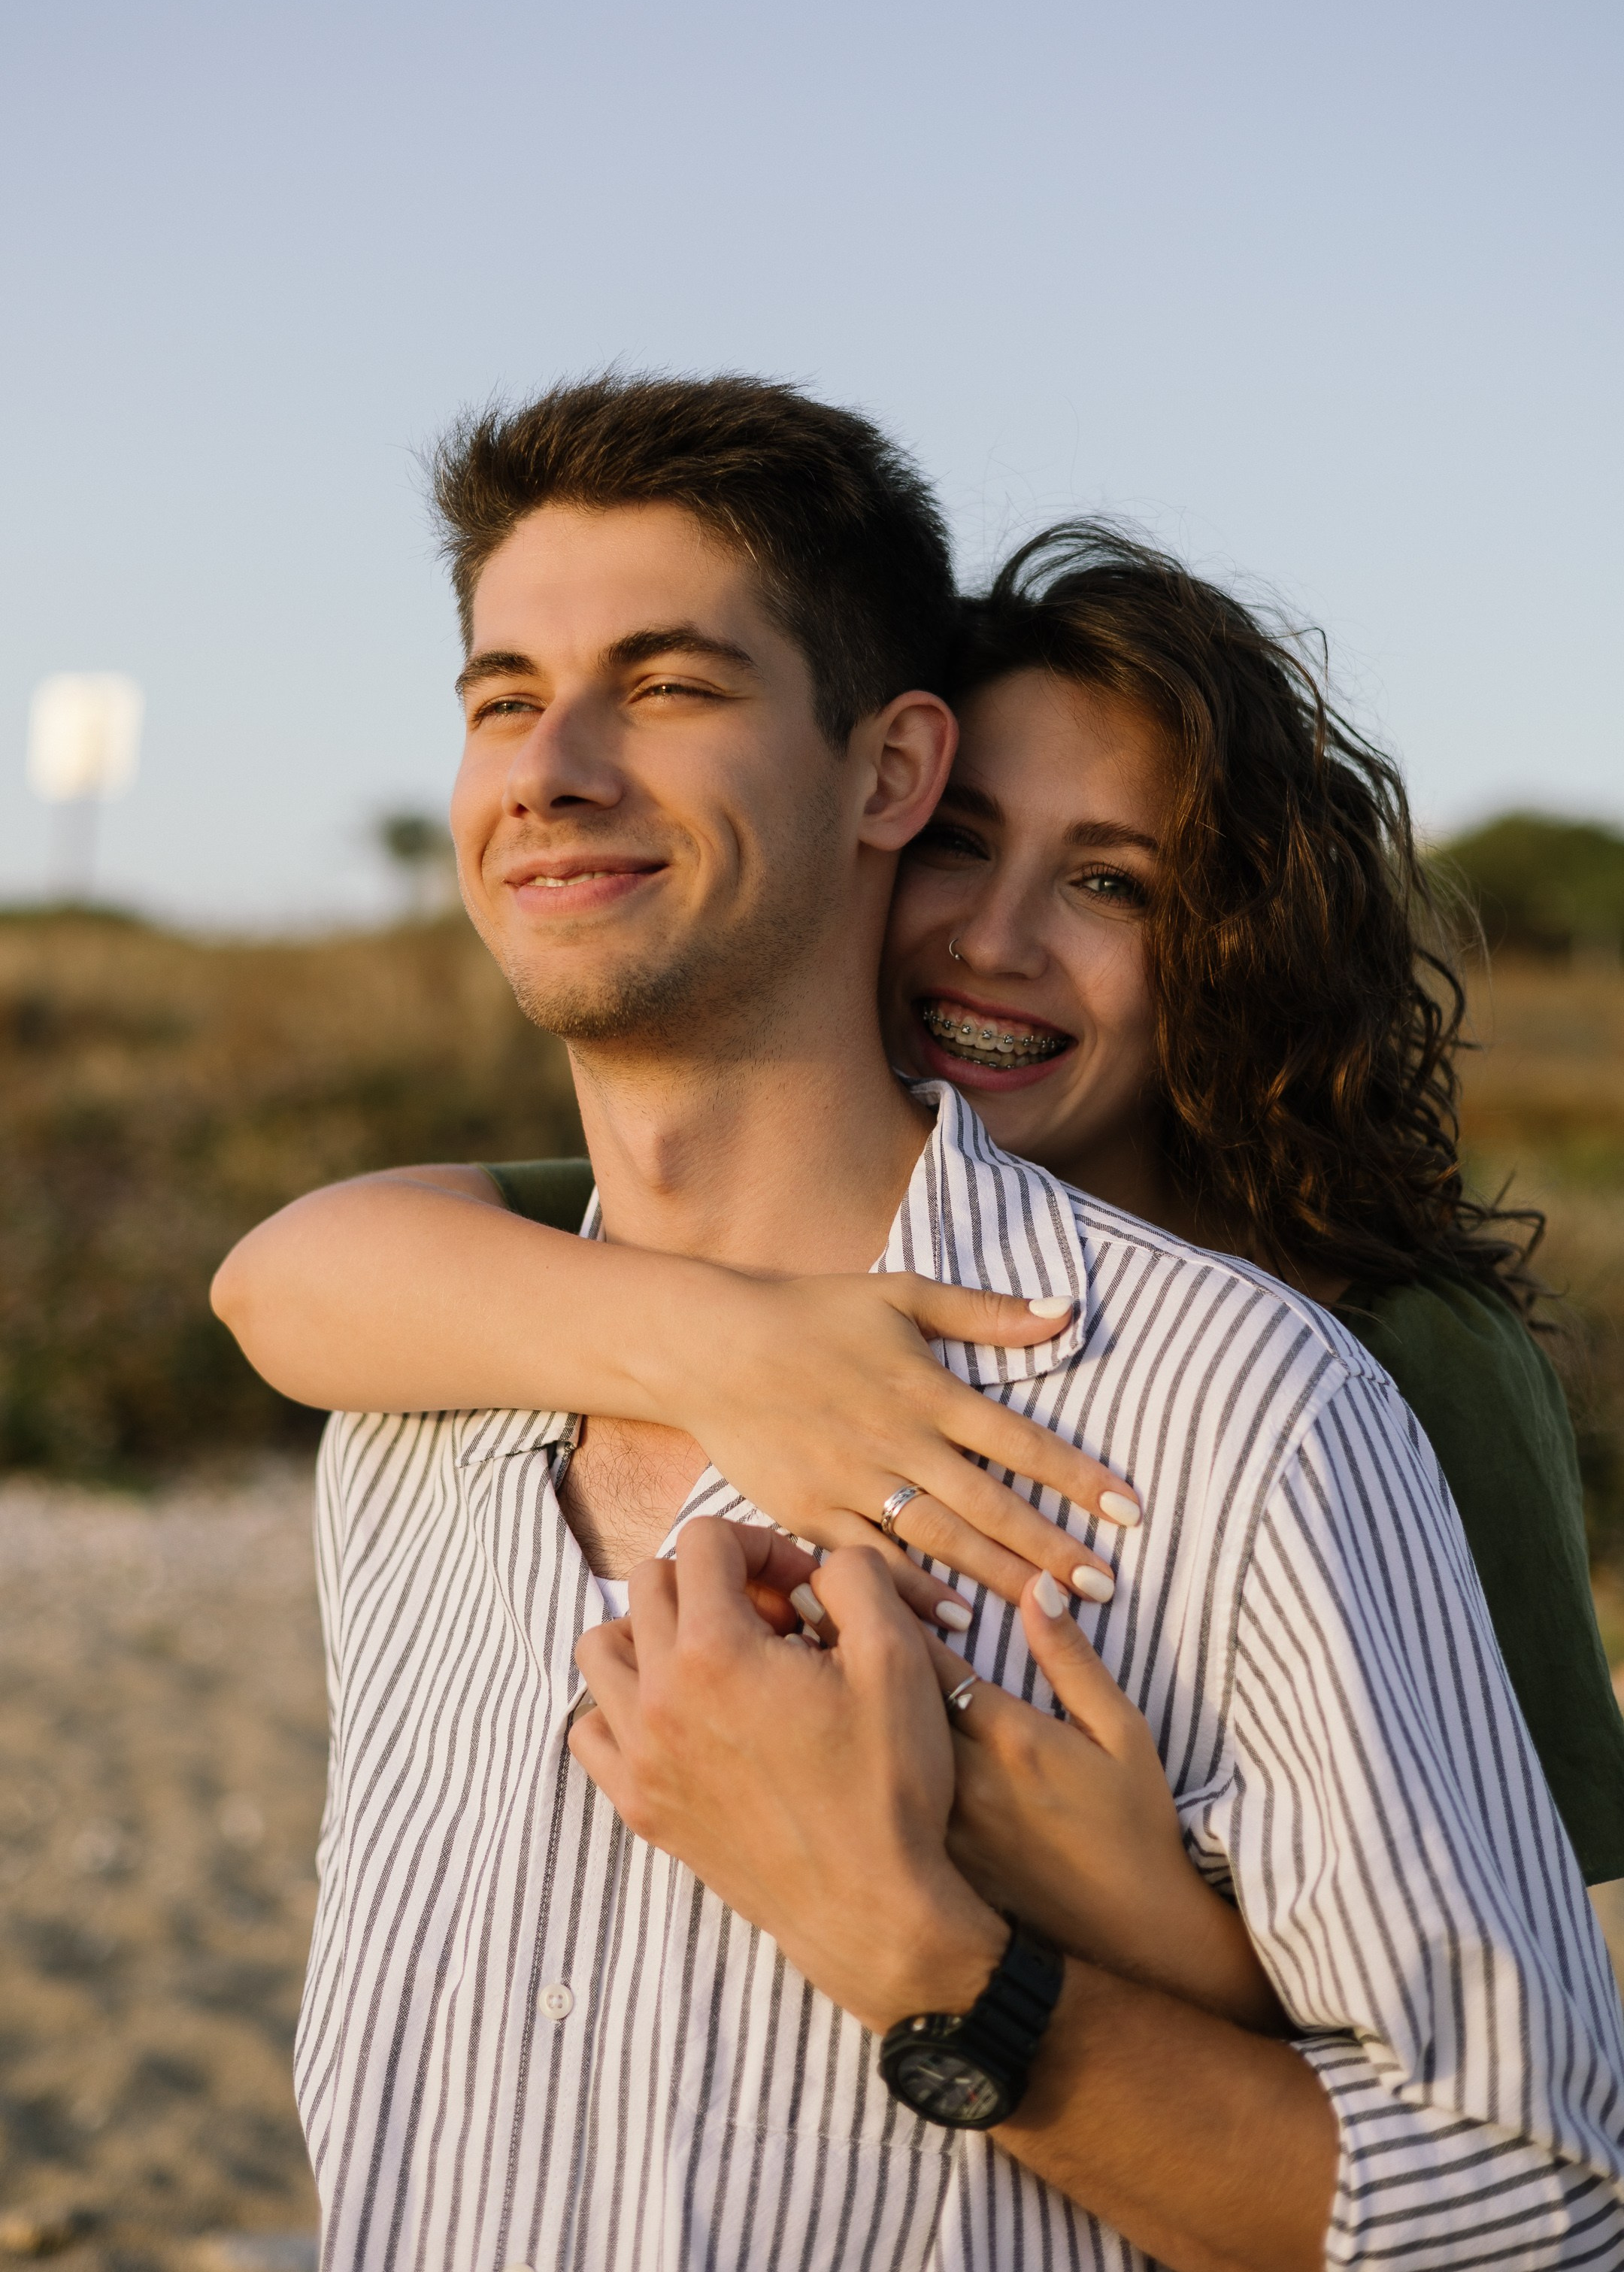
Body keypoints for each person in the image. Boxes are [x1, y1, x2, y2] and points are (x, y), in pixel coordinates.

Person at [219, 372, 1624, 2271]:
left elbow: (1539, 2173)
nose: (987, 938)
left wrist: (1037, 1941)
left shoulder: (1311, 1384)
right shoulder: (451, 1381)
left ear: (869, 770)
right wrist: (727, 1349)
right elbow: (295, 1279)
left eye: (672, 684)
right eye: (500, 699)